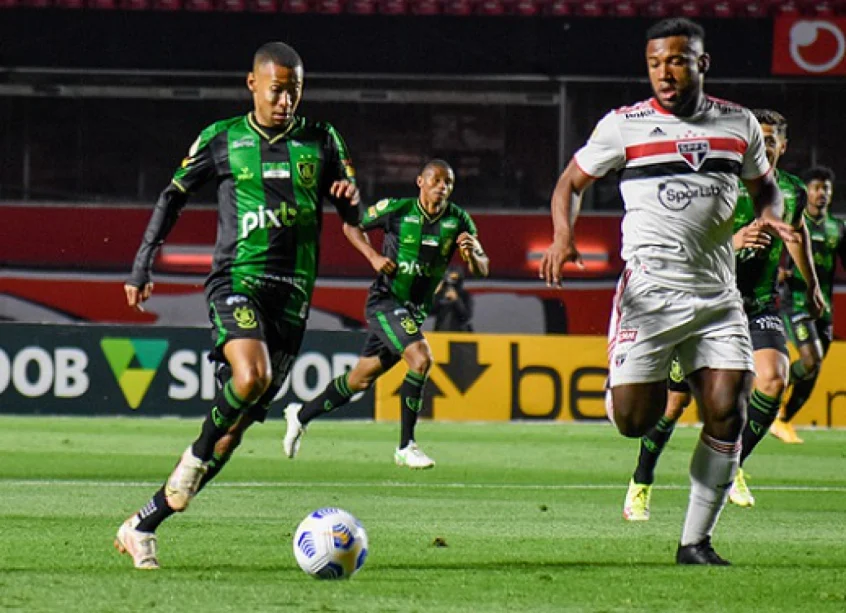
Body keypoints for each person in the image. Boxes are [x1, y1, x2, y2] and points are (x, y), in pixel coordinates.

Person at [539, 18, 821, 565]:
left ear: (700, 63)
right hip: (649, 292)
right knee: (633, 422)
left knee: (728, 409)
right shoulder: (624, 125)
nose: (665, 73)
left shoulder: (738, 124)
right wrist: (564, 234)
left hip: (718, 295)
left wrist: (772, 217)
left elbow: (766, 187)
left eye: (676, 60)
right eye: (655, 63)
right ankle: (626, 382)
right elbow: (571, 182)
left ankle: (695, 542)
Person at [114, 42, 361, 570]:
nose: (286, 101)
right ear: (252, 84)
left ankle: (143, 525)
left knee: (239, 427)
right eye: (277, 90)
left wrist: (349, 195)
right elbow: (172, 195)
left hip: (292, 299)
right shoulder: (222, 139)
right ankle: (193, 457)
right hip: (237, 282)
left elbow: (350, 207)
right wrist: (142, 263)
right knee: (249, 379)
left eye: (295, 91)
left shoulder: (322, 140)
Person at [621, 109, 823, 520]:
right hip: (704, 303)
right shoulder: (717, 185)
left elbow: (797, 233)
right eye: (758, 138)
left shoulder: (792, 191)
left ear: (782, 147)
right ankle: (641, 480)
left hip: (758, 304)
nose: (764, 146)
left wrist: (813, 286)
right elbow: (686, 243)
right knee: (674, 405)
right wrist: (732, 241)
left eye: (772, 140)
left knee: (774, 379)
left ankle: (731, 467)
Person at [282, 159, 489, 469]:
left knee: (359, 380)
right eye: (435, 181)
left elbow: (483, 268)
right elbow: (352, 225)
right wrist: (374, 256)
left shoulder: (459, 220)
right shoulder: (398, 210)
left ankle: (300, 415)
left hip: (414, 311)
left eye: (448, 183)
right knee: (421, 359)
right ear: (420, 182)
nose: (441, 187)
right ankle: (406, 445)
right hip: (386, 301)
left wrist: (472, 254)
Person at [774, 165, 846, 443]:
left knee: (813, 369)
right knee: (810, 359)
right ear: (806, 192)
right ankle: (777, 389)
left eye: (825, 189)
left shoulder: (837, 229)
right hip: (796, 304)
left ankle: (783, 419)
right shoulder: (792, 220)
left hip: (824, 309)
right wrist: (778, 272)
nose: (821, 194)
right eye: (816, 188)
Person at [431, 266, 474, 332]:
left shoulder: (464, 295)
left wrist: (456, 300)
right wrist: (438, 296)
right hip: (440, 332)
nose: (451, 281)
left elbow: (466, 316)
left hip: (458, 333)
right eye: (450, 277)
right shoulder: (441, 294)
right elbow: (431, 312)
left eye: (454, 278)